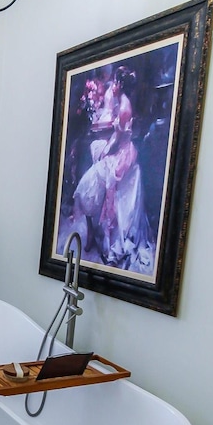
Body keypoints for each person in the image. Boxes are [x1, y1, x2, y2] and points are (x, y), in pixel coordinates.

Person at [63, 66, 153, 272]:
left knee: (95, 176)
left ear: (120, 84)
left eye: (115, 81)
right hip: (117, 147)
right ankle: (93, 229)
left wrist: (105, 151)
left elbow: (116, 140)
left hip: (122, 153)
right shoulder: (119, 102)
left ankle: (104, 236)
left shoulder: (124, 108)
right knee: (91, 174)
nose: (112, 84)